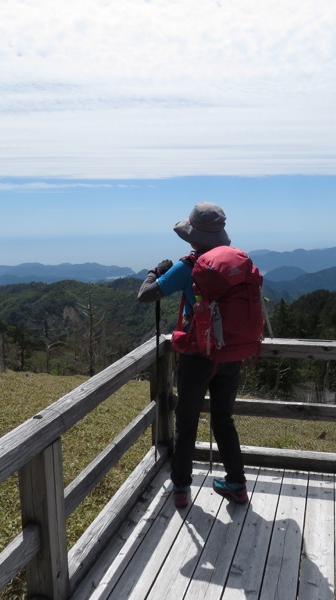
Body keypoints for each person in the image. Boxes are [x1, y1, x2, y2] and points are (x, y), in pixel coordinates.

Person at [137, 202, 248, 509]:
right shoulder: (235, 263)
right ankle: (237, 485)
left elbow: (145, 296)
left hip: (198, 355)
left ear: (192, 236)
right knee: (223, 419)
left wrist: (155, 271)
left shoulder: (189, 267)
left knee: (187, 421)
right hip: (231, 354)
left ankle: (182, 488)